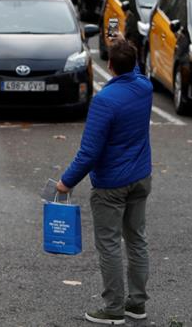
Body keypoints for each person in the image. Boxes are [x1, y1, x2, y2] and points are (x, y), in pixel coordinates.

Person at [56, 37, 153, 324]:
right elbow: (132, 70)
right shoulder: (145, 87)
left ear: (109, 65)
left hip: (111, 184)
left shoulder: (105, 101)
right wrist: (123, 45)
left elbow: (89, 152)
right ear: (134, 64)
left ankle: (113, 309)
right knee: (136, 240)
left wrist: (66, 181)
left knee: (109, 245)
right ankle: (136, 304)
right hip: (140, 178)